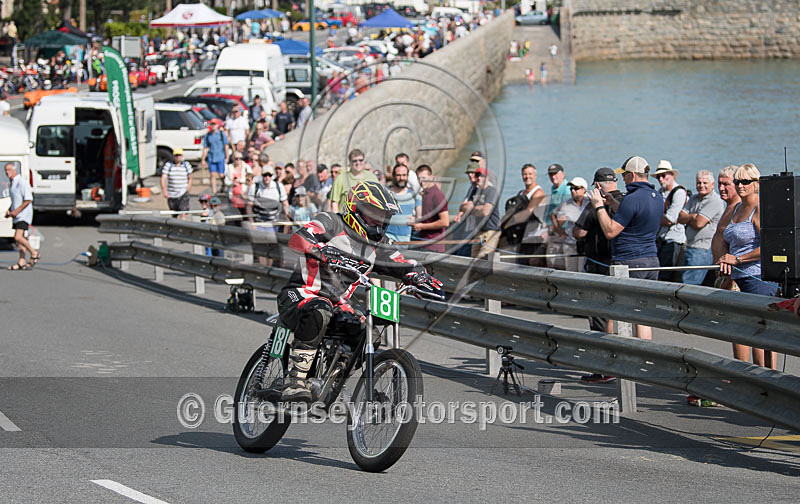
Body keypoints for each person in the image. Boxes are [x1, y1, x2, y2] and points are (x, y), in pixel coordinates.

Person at [278, 180, 442, 401]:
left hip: (339, 303)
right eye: (374, 215)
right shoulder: (331, 222)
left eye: (384, 217)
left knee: (368, 332)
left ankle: (333, 382)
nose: (379, 222)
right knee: (320, 308)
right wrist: (321, 249)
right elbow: (298, 239)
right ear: (355, 208)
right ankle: (294, 381)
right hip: (301, 292)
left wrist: (419, 275)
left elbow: (401, 261)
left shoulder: (378, 245)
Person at [588, 155, 663, 341]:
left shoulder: (632, 198)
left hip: (629, 260)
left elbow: (610, 231)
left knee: (616, 310)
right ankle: (644, 360)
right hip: (651, 260)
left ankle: (613, 364)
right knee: (643, 315)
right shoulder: (657, 197)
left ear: (632, 175)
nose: (622, 179)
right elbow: (637, 218)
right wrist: (613, 203)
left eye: (624, 175)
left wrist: (599, 207)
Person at [715, 163, 778, 368]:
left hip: (758, 277)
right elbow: (723, 237)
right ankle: (748, 377)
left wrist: (738, 259)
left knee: (759, 334)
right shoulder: (736, 208)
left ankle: (764, 379)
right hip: (738, 277)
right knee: (743, 331)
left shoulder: (759, 208)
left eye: (745, 181)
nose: (740, 185)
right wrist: (724, 258)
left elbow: (770, 247)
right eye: (737, 181)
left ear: (756, 183)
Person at [573, 168, 625, 383]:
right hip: (623, 264)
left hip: (598, 264)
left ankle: (605, 367)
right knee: (622, 316)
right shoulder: (626, 200)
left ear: (596, 185)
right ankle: (622, 364)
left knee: (599, 316)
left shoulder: (596, 201)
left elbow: (579, 231)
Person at [677, 170, 725, 285]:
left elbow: (699, 223)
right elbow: (680, 217)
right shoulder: (694, 198)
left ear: (712, 185)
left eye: (705, 183)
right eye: (699, 183)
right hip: (691, 246)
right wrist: (693, 216)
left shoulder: (715, 201)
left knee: (689, 285)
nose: (701, 186)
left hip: (702, 249)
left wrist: (691, 218)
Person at [455, 157, 501, 259]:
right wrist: (475, 209)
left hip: (491, 231)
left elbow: (485, 211)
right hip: (478, 231)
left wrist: (471, 209)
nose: (479, 178)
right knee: (473, 260)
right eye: (477, 175)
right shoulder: (474, 190)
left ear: (487, 177)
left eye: (481, 176)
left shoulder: (491, 191)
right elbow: (462, 207)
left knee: (481, 259)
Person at [502, 163, 547, 266]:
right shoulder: (521, 193)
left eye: (530, 174)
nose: (527, 177)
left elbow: (528, 212)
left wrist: (507, 222)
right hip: (521, 233)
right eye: (525, 174)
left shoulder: (538, 192)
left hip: (534, 233)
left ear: (535, 176)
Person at [652, 160, 687, 281]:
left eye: (663, 176)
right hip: (660, 238)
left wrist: (653, 217)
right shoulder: (660, 192)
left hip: (674, 239)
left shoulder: (679, 192)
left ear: (671, 175)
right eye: (658, 177)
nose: (661, 179)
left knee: (666, 275)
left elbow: (669, 220)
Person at [550, 177, 590, 271]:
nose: (573, 191)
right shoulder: (565, 204)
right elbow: (553, 215)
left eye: (576, 188)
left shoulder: (590, 203)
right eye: (571, 188)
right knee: (570, 271)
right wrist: (559, 230)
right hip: (569, 244)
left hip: (585, 244)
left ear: (584, 189)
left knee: (583, 271)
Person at [4, 163, 38, 270]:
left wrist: (16, 211)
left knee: (18, 237)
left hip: (23, 215)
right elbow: (16, 200)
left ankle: (34, 253)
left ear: (15, 171)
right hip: (17, 215)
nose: (7, 172)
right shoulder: (12, 184)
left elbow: (28, 199)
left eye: (9, 170)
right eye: (5, 170)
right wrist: (10, 210)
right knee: (20, 240)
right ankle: (21, 261)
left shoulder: (22, 182)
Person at [413, 164, 449, 253]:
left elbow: (445, 222)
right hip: (424, 242)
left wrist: (422, 226)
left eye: (424, 178)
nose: (421, 181)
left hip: (434, 247)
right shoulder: (425, 193)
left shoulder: (437, 195)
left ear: (432, 177)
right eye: (419, 178)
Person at [330, 149, 378, 213]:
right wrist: (337, 220)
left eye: (361, 160)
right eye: (355, 161)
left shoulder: (372, 177)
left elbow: (379, 199)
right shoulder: (341, 178)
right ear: (350, 162)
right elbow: (334, 202)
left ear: (364, 161)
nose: (358, 163)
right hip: (346, 219)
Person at [384, 164, 422, 246]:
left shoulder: (414, 195)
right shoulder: (384, 192)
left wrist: (415, 220)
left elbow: (420, 217)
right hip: (386, 236)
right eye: (398, 175)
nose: (401, 178)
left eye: (404, 175)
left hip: (404, 239)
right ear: (393, 176)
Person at [160, 149, 193, 220]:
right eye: (176, 155)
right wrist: (164, 190)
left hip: (183, 192)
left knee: (183, 213)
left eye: (179, 155)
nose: (178, 157)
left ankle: (183, 228)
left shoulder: (186, 165)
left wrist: (188, 189)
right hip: (172, 193)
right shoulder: (168, 165)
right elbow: (163, 178)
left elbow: (190, 178)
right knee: (174, 214)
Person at [201, 119, 230, 194]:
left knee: (221, 175)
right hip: (211, 157)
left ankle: (223, 185)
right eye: (212, 124)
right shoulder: (207, 135)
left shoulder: (221, 134)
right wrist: (203, 159)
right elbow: (206, 147)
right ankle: (214, 192)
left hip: (220, 156)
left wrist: (227, 157)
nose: (213, 126)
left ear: (217, 125)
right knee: (212, 174)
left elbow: (226, 146)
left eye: (215, 124)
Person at [544, 163, 570, 228]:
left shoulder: (568, 189)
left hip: (562, 228)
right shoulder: (553, 187)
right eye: (551, 174)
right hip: (549, 223)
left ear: (563, 174)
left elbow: (565, 214)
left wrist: (553, 229)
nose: (553, 177)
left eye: (555, 174)